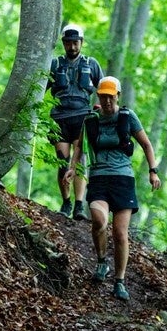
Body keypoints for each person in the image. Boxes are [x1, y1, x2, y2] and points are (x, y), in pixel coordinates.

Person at [66, 75, 161, 301]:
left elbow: (146, 144)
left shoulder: (128, 117)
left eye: (111, 96)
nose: (107, 101)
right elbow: (79, 146)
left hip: (123, 180)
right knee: (99, 221)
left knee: (120, 233)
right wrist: (72, 168)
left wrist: (153, 170)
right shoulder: (90, 120)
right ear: (98, 96)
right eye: (103, 96)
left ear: (117, 96)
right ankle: (101, 261)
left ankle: (119, 281)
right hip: (99, 177)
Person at [48, 24, 103, 220]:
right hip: (59, 118)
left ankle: (79, 205)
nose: (72, 47)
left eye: (75, 43)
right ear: (63, 43)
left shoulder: (91, 64)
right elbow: (39, 88)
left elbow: (103, 88)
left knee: (80, 160)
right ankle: (66, 201)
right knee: (62, 160)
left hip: (82, 118)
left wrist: (99, 107)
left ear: (81, 43)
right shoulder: (54, 64)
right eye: (68, 43)